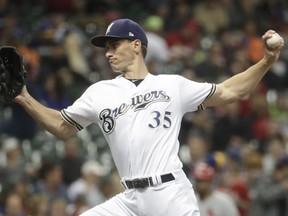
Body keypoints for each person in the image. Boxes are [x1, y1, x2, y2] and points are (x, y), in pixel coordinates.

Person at [13, 18, 284, 216]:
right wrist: (24, 97)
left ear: (135, 45)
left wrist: (266, 61)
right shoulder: (99, 92)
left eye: (114, 45)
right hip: (129, 199)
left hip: (169, 193)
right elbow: (61, 126)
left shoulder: (172, 85)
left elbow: (230, 91)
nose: (108, 52)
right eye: (106, 47)